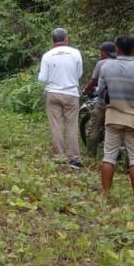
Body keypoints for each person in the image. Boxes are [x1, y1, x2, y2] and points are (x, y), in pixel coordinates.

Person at [97, 34, 134, 199]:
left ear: (117, 49)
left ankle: (105, 193)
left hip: (113, 117)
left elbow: (101, 93)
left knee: (109, 156)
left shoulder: (106, 68)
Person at [38, 28, 84, 168]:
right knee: (72, 125)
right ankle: (74, 158)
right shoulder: (75, 53)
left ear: (53, 41)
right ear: (66, 39)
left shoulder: (47, 55)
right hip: (71, 93)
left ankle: (59, 156)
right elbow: (79, 74)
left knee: (56, 125)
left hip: (53, 94)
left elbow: (42, 78)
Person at [82, 40, 118, 154]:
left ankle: (91, 154)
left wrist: (86, 90)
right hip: (120, 101)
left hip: (104, 101)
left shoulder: (101, 63)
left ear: (105, 52)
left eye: (101, 52)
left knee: (94, 126)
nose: (100, 54)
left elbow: (94, 81)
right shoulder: (121, 62)